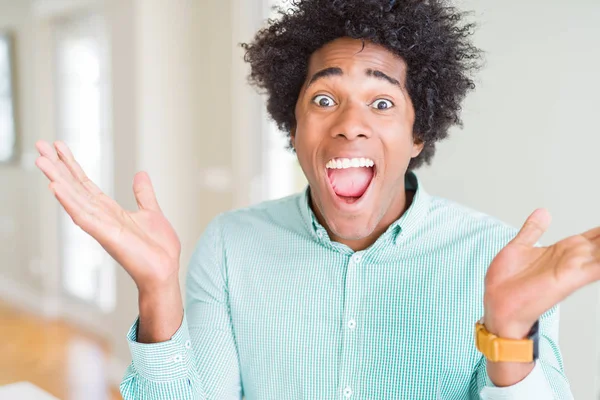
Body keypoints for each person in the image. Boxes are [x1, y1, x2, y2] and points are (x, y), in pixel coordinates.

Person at [34, 0, 599, 398]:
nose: (350, 125)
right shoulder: (231, 246)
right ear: (294, 127)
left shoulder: (498, 260)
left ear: (417, 135)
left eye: (381, 104)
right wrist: (157, 291)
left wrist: (509, 334)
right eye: (324, 98)